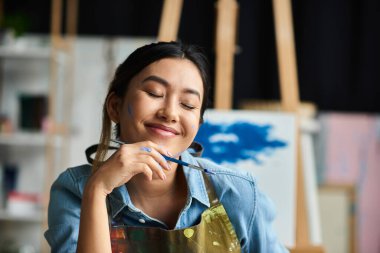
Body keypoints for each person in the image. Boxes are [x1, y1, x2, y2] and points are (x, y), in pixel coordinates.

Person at [44, 41, 289, 253]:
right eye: (154, 92)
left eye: (188, 104)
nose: (170, 113)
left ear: (198, 124)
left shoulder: (238, 193)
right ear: (115, 107)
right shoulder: (75, 190)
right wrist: (97, 189)